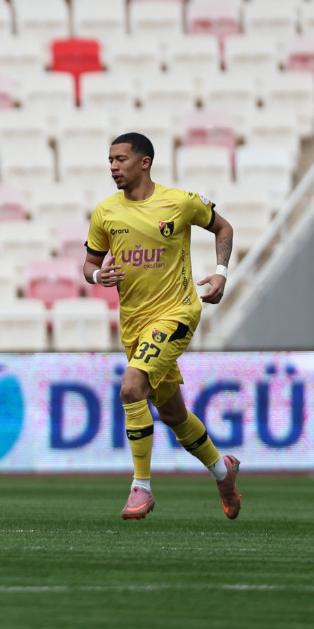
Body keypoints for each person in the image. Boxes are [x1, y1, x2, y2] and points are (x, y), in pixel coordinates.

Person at [83, 132, 242, 521]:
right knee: (172, 415)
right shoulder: (106, 212)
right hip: (135, 325)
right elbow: (89, 263)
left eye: (120, 159)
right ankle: (223, 471)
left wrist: (221, 274)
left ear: (145, 161)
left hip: (177, 313)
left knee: (131, 387)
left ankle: (142, 487)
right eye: (109, 161)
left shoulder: (180, 202)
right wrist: (95, 277)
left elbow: (224, 228)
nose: (113, 167)